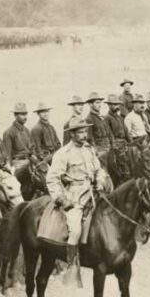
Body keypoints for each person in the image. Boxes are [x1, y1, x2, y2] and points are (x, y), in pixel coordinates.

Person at [46, 116, 109, 287]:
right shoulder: (63, 154)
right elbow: (52, 179)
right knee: (75, 229)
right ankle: (72, 265)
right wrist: (61, 199)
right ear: (72, 134)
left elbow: (98, 169)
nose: (84, 134)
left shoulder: (89, 149)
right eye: (80, 132)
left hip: (93, 191)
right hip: (74, 195)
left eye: (85, 131)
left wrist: (100, 180)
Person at [2, 102, 34, 170]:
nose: (25, 117)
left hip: (29, 161)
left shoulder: (27, 131)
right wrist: (9, 168)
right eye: (22, 114)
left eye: (25, 114)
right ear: (15, 115)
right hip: (17, 163)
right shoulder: (8, 132)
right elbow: (7, 154)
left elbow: (31, 149)